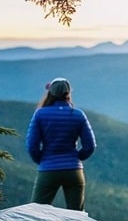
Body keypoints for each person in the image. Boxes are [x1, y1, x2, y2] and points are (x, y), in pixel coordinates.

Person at [25, 77, 96, 211]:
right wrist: (77, 157)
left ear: (50, 92)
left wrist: (42, 160)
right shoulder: (78, 114)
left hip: (48, 168)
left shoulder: (40, 114)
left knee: (36, 213)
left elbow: (32, 145)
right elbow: (90, 146)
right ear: (68, 93)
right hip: (74, 170)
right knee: (76, 215)